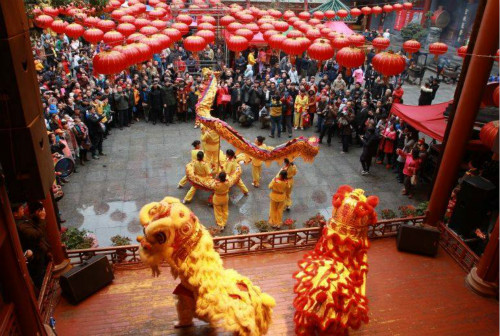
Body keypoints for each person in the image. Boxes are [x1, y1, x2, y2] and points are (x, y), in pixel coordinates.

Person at [16, 202, 50, 290]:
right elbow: (36, 235)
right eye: (20, 209)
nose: (23, 209)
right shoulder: (20, 226)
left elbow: (32, 222)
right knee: (40, 275)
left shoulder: (23, 218)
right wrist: (42, 219)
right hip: (35, 255)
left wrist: (37, 215)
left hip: (40, 250)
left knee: (45, 269)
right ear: (15, 213)